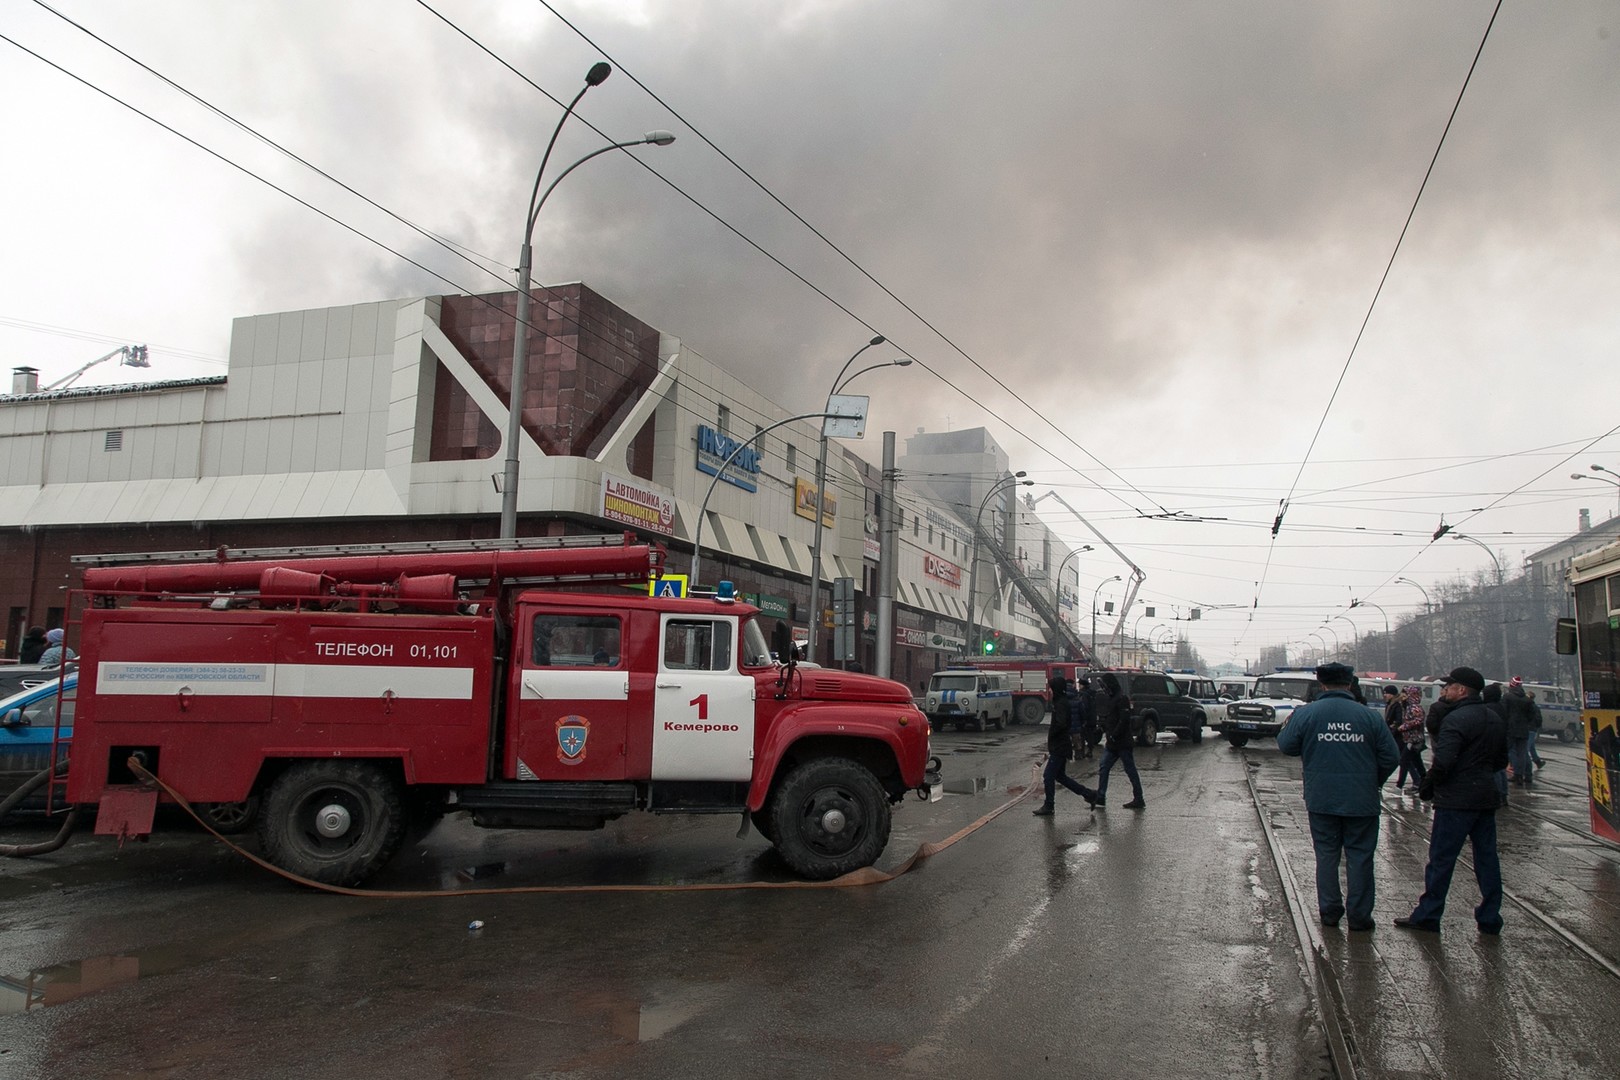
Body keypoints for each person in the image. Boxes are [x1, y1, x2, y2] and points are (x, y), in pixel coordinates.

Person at [1277, 663, 1400, 931]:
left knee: (1326, 854)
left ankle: (1330, 911)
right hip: (1362, 800)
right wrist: (1372, 780)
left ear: (1321, 685)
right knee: (1360, 856)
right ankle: (1359, 916)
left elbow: (1286, 746)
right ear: (1349, 684)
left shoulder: (1306, 713)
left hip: (1322, 798)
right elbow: (1391, 756)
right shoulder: (1370, 717)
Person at [1394, 665, 1509, 935]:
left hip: (1455, 800)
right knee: (1487, 859)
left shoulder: (1455, 720)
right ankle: (1490, 917)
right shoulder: (1494, 718)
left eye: (1448, 687)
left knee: (1442, 859)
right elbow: (1501, 761)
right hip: (1484, 797)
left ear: (1461, 690)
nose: (1443, 691)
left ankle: (1428, 914)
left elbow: (1443, 760)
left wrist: (1428, 784)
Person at [1032, 675, 1100, 815]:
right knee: (1060, 776)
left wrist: (1053, 734)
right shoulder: (1060, 702)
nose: (1049, 692)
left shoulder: (1061, 703)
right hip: (1060, 745)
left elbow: (1062, 723)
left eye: (1051, 689)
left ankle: (1049, 805)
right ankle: (1089, 794)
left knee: (1048, 776)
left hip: (1060, 746)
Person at [1094, 672, 1145, 809]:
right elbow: (1112, 719)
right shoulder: (1112, 698)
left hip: (1122, 743)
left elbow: (1124, 720)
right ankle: (1100, 796)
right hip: (1113, 743)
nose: (1104, 689)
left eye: (1105, 686)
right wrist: (1104, 728)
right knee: (1104, 767)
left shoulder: (1121, 699)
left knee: (1130, 770)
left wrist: (1113, 735)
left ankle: (1139, 798)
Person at [1502, 677, 1537, 790]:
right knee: (1522, 753)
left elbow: (1503, 712)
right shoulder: (1527, 700)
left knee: (1509, 751)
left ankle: (1514, 774)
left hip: (1510, 729)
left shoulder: (1507, 697)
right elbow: (1532, 715)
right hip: (1523, 730)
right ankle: (1524, 775)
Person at [1393, 685, 1428, 793]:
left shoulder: (1414, 707)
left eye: (1404, 693)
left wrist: (1402, 727)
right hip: (1411, 739)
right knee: (1418, 763)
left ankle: (1399, 786)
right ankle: (1425, 783)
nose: (1402, 695)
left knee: (1404, 761)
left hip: (1413, 740)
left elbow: (1418, 720)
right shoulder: (1408, 706)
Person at [1526, 691, 1545, 771]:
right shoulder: (1535, 707)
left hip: (1529, 729)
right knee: (1531, 747)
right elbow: (1539, 719)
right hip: (1533, 729)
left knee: (1526, 749)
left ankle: (1526, 768)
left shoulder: (1528, 706)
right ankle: (1538, 762)